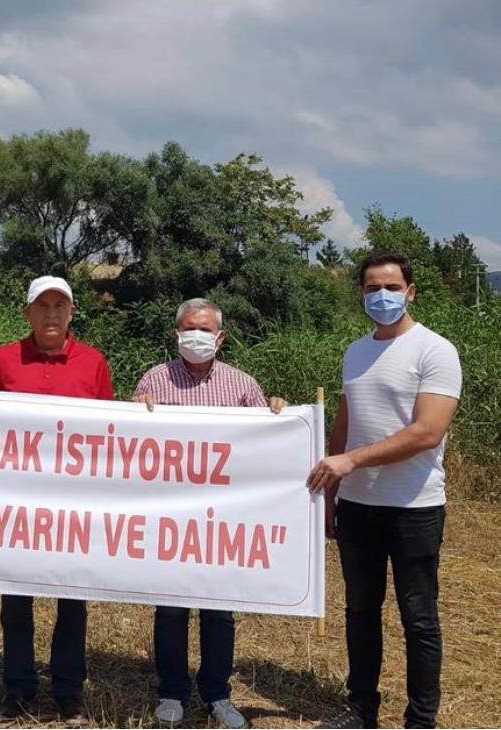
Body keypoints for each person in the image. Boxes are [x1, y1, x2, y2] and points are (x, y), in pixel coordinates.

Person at [308, 253, 461, 730]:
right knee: (360, 611)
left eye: (392, 287)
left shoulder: (435, 351)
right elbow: (346, 422)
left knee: (419, 617)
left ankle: (420, 720)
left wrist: (352, 461)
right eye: (373, 287)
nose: (382, 295)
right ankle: (360, 709)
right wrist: (332, 490)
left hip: (414, 507)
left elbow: (427, 432)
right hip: (358, 506)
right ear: (361, 293)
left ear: (410, 292)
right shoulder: (355, 352)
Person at [133, 297, 286, 729]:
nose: (196, 336)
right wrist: (137, 412)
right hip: (170, 515)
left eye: (204, 329)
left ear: (221, 337)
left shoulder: (243, 386)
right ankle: (172, 692)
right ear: (176, 334)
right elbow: (133, 446)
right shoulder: (154, 382)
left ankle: (217, 694)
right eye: (188, 328)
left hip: (223, 518)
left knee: (219, 610)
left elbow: (268, 446)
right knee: (171, 609)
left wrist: (280, 414)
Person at [0, 275, 114, 725]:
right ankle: (18, 690)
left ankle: (68, 692)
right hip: (16, 501)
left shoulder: (94, 362)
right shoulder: (4, 359)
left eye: (60, 305)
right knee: (15, 601)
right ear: (28, 312)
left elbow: (111, 434)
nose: (52, 313)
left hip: (73, 504)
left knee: (72, 601)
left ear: (72, 312)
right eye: (42, 305)